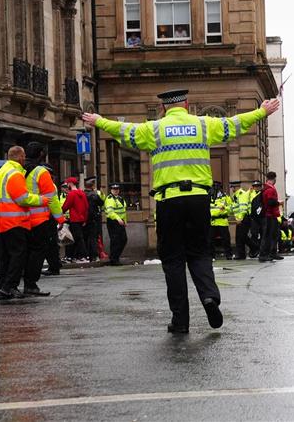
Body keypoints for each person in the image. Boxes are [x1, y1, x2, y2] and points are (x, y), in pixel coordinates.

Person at [83, 88, 280, 333]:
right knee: (200, 254)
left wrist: (97, 120)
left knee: (174, 261)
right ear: (186, 104)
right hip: (199, 200)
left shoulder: (154, 129)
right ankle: (209, 297)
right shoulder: (203, 125)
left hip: (169, 201)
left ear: (165, 108)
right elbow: (235, 124)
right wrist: (262, 111)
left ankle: (180, 320)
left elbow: (124, 131)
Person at [0, 146, 51, 300]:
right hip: (14, 221)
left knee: (6, 257)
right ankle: (9, 287)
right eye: (23, 156)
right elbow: (22, 198)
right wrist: (42, 200)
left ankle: (3, 286)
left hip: (1, 221)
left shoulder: (1, 172)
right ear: (20, 157)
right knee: (17, 256)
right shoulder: (14, 174)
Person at [23, 142, 64, 294]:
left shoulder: (18, 169)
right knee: (37, 251)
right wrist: (60, 218)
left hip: (19, 219)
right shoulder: (40, 172)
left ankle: (11, 285)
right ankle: (31, 284)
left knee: (23, 252)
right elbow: (51, 198)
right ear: (41, 154)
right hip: (38, 220)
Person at [61, 176, 89, 262]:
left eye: (67, 184)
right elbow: (86, 207)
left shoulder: (71, 194)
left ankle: (83, 256)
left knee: (76, 238)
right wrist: (85, 219)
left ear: (70, 184)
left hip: (74, 219)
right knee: (78, 238)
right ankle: (73, 256)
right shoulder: (82, 193)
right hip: (81, 219)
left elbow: (66, 206)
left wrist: (59, 214)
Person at [256, 172, 282, 262]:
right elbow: (270, 202)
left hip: (271, 215)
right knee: (268, 236)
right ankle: (264, 254)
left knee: (274, 234)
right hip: (269, 215)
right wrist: (279, 203)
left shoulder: (266, 188)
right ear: (274, 179)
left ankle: (272, 253)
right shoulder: (270, 189)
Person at [104, 183, 128, 266]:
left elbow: (123, 211)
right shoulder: (110, 199)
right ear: (111, 190)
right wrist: (117, 218)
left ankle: (115, 257)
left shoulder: (120, 198)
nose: (116, 191)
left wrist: (125, 221)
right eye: (114, 189)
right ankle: (114, 259)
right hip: (113, 221)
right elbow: (110, 212)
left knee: (123, 239)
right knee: (115, 240)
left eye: (117, 189)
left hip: (120, 221)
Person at [209, 181, 233, 261]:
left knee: (226, 240)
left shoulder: (225, 197)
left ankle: (228, 255)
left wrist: (224, 209)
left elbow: (230, 208)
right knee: (210, 240)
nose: (215, 188)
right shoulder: (210, 197)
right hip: (213, 222)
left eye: (217, 187)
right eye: (214, 187)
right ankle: (212, 255)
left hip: (222, 221)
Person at [83, 177, 104, 262]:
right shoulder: (94, 194)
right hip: (93, 218)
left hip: (84, 219)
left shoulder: (83, 194)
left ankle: (87, 255)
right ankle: (94, 255)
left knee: (85, 237)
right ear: (92, 186)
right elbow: (101, 203)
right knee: (93, 238)